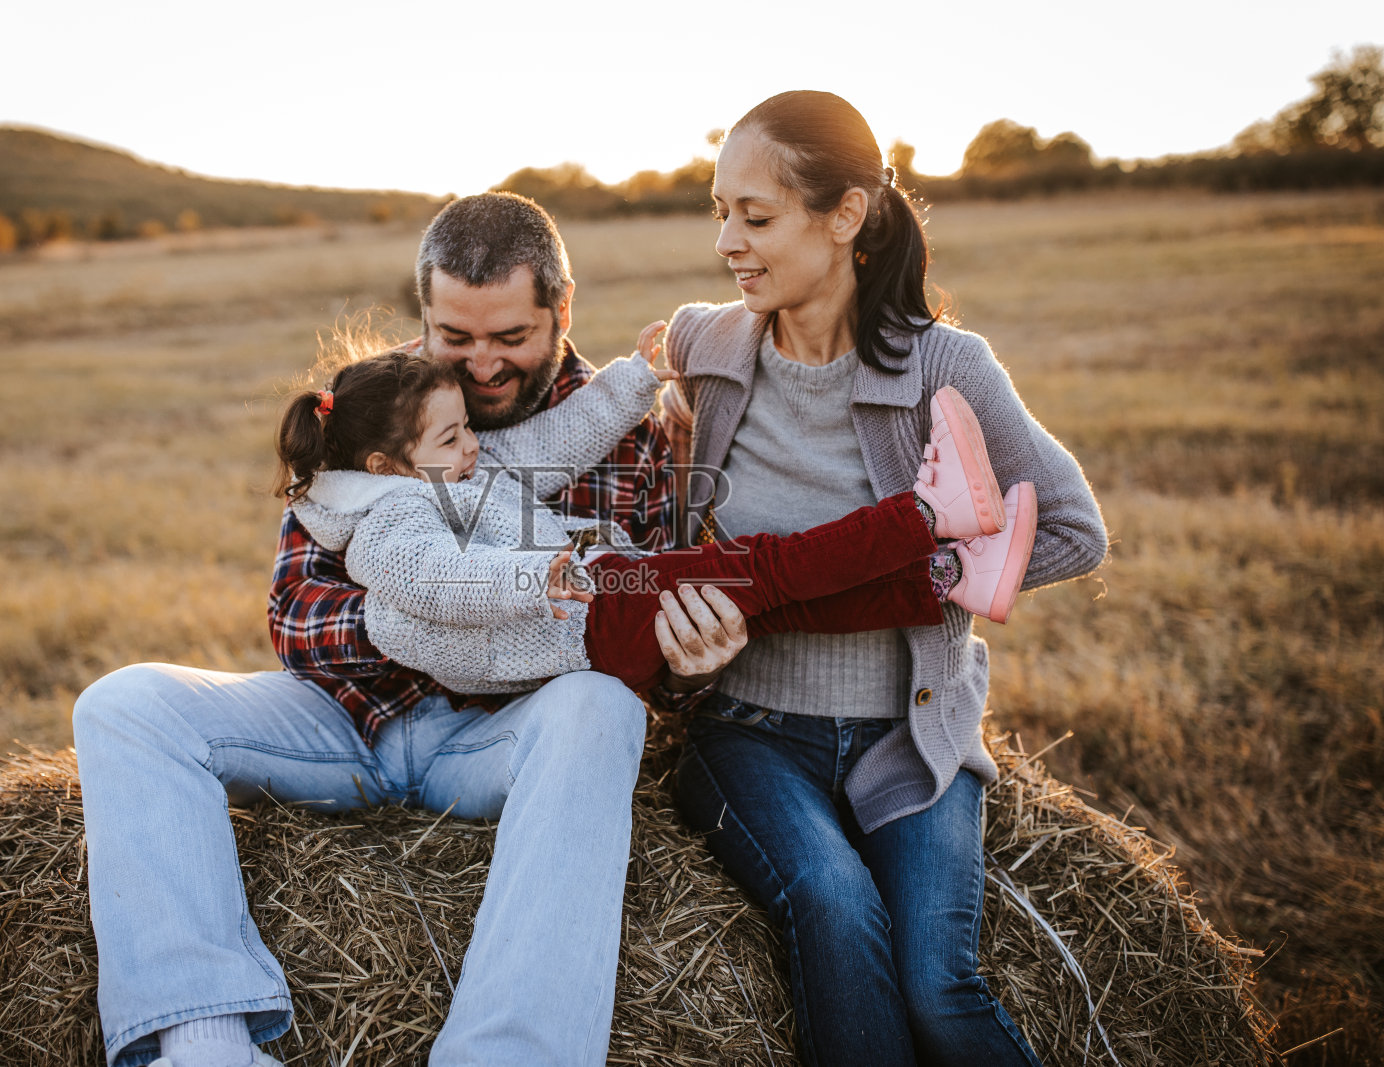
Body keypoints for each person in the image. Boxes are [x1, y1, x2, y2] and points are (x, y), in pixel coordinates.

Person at [71, 193, 713, 1067]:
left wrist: (688, 661)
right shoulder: (369, 408)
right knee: (125, 704)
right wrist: (422, 616)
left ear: (563, 310)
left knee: (602, 707)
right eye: (457, 335)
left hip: (498, 738)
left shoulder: (629, 437)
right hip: (347, 723)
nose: (483, 364)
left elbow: (654, 622)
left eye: (511, 337)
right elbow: (296, 618)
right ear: (425, 314)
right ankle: (205, 1039)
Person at [659, 91, 1109, 1066]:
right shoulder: (706, 345)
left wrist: (931, 573)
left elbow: (1074, 530)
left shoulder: (943, 367)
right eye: (719, 211)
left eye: (757, 215)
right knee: (832, 904)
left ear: (846, 216)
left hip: (912, 730)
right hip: (749, 733)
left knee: (938, 990)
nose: (728, 240)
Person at [274, 330, 1038, 697]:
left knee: (774, 606)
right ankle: (928, 515)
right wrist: (546, 573)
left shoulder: (454, 471)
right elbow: (441, 581)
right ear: (384, 466)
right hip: (590, 619)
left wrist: (635, 376)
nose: (476, 445)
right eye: (453, 435)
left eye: (467, 427)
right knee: (766, 565)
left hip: (601, 606)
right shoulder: (388, 528)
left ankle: (944, 580)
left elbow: (557, 439)